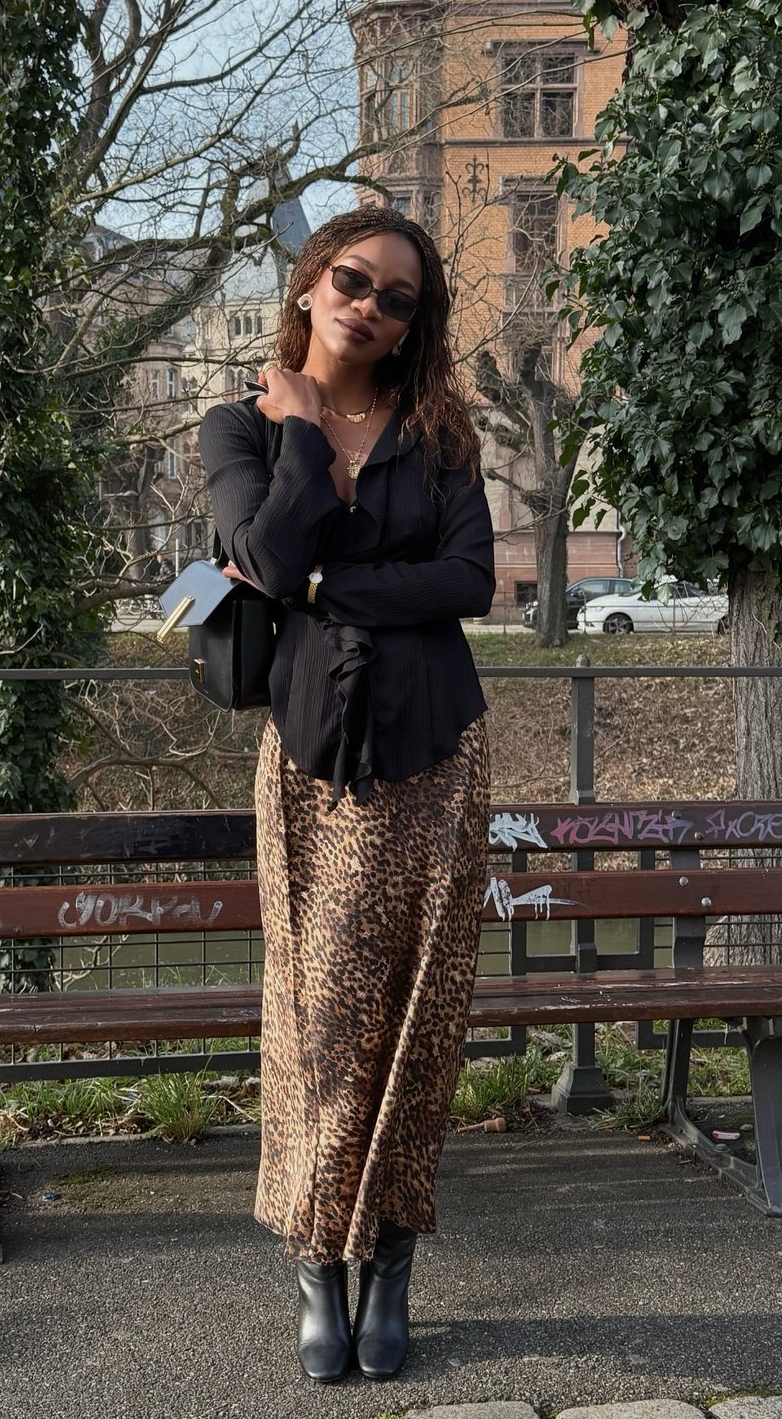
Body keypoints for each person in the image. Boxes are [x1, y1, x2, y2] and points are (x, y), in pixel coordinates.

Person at [198, 206, 495, 1384]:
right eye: (353, 281)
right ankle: (320, 1261)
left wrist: (330, 584)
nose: (369, 306)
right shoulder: (241, 424)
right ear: (311, 283)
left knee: (420, 1018)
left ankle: (394, 1265)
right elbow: (266, 558)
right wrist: (303, 433)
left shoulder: (439, 432)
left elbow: (468, 578)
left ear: (412, 325)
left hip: (438, 752)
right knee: (319, 1025)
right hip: (315, 762)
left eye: (396, 298)